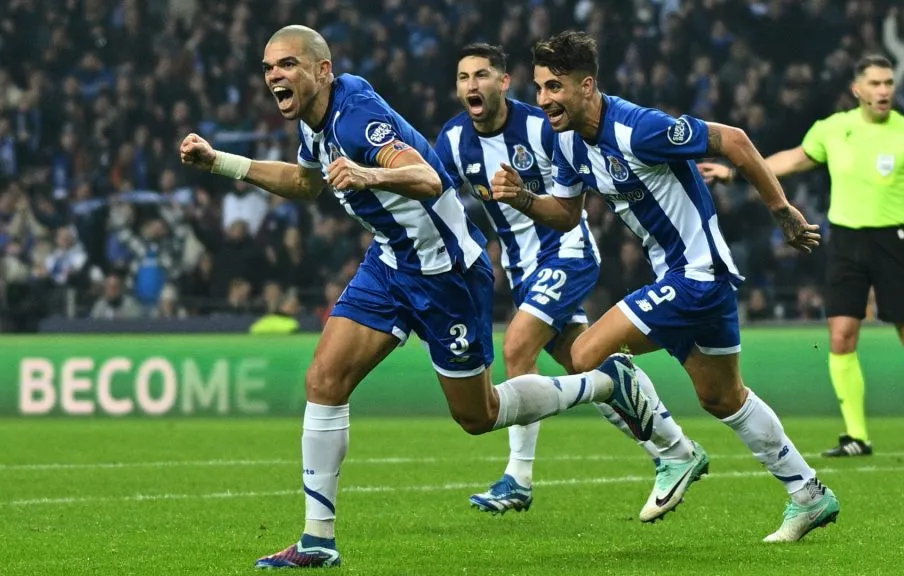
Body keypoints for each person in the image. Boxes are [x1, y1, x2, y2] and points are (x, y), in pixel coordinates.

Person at [179, 26, 656, 569]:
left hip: (446, 272)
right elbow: (307, 183)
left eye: (287, 65)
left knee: (479, 416)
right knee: (324, 380)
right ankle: (317, 540)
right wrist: (220, 161)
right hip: (390, 262)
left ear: (322, 70)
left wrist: (364, 172)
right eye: (268, 69)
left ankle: (602, 383)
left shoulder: (356, 118)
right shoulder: (317, 122)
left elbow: (428, 178)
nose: (275, 77)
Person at [490, 30, 839, 543]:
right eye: (539, 88)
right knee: (723, 398)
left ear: (587, 85)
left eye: (555, 87)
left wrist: (782, 211)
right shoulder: (566, 141)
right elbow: (565, 215)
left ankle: (673, 453)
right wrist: (522, 198)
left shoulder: (640, 128)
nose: (543, 100)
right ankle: (809, 494)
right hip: (685, 278)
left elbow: (736, 142)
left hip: (696, 275)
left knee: (584, 354)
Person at [435, 43, 706, 522]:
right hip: (522, 271)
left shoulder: (541, 126)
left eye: (481, 75)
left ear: (503, 82)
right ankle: (676, 448)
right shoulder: (454, 140)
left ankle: (517, 478)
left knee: (517, 346)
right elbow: (437, 200)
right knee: (593, 367)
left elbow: (582, 184)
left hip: (566, 252)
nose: (471, 85)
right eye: (462, 77)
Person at [699, 55, 904, 457]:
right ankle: (856, 437)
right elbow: (792, 160)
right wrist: (737, 172)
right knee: (841, 338)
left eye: (888, 82)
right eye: (874, 83)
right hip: (845, 244)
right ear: (858, 89)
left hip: (894, 244)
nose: (884, 90)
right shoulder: (834, 129)